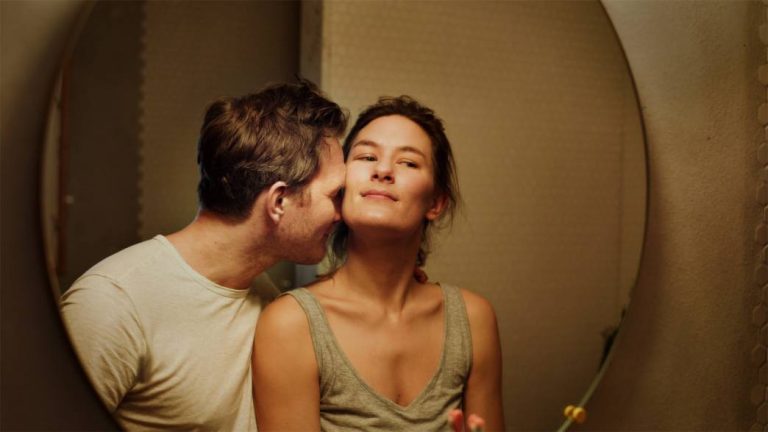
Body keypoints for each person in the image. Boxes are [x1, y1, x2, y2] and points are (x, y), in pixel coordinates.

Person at [59, 80, 348, 431]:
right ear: (279, 201)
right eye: (334, 195)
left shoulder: (264, 298)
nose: (341, 213)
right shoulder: (111, 304)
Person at [252, 96, 505, 431]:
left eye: (408, 163)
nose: (383, 171)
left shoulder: (473, 320)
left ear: (436, 202)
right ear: (341, 186)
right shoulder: (291, 324)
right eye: (367, 157)